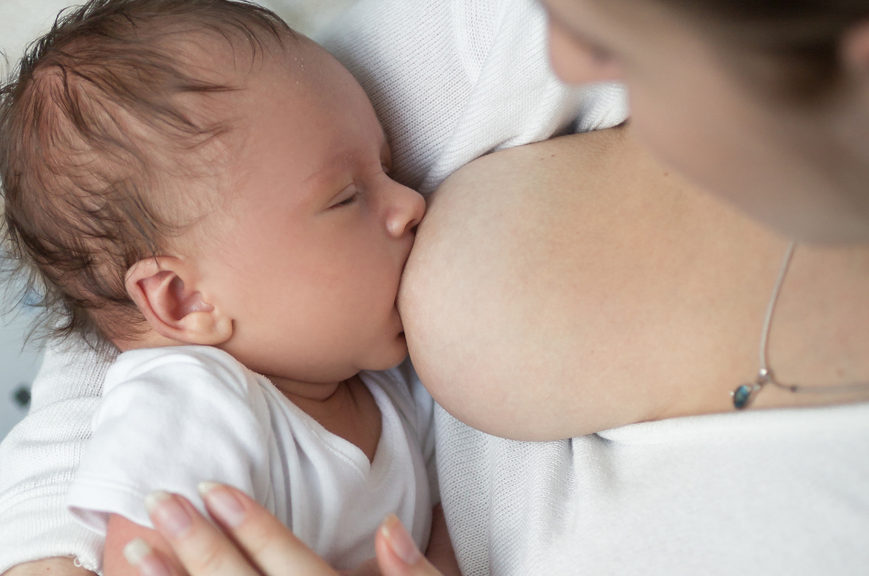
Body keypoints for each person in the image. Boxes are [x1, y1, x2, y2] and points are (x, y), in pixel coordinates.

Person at [107, 0, 869, 574]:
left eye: (617, 37)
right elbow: (140, 216)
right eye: (349, 195)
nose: (565, 57)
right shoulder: (213, 381)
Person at [0, 0, 629, 575]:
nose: (410, 205)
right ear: (184, 300)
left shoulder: (388, 392)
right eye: (345, 198)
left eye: (388, 167)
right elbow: (147, 553)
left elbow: (450, 537)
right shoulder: (195, 404)